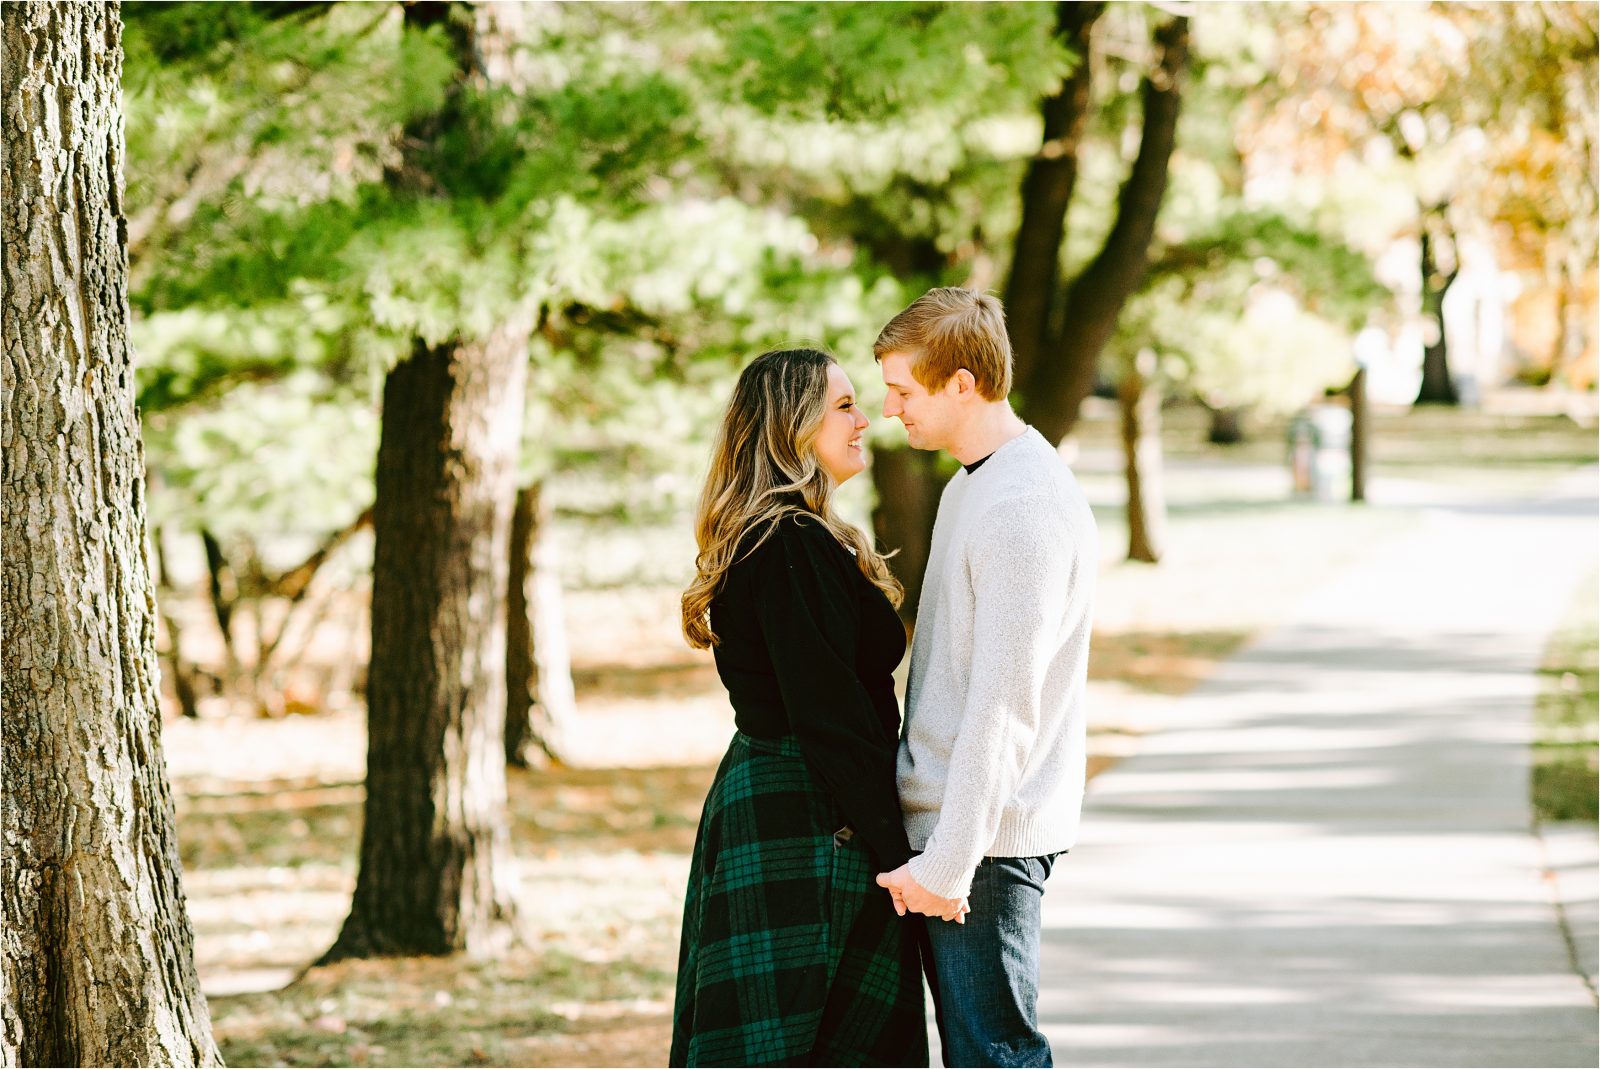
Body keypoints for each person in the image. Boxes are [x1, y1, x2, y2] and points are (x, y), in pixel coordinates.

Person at [671, 347, 942, 1068]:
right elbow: (828, 714)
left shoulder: (788, 535)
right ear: (794, 427)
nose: (865, 421)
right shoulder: (789, 542)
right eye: (844, 406)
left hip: (797, 804)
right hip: (809, 814)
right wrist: (902, 857)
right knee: (799, 1043)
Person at [872, 289, 1098, 1068]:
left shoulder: (1020, 505)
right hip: (960, 833)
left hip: (984, 844)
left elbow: (1005, 705)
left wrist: (949, 861)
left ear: (960, 382)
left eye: (904, 388)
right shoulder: (977, 481)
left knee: (996, 1056)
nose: (889, 406)